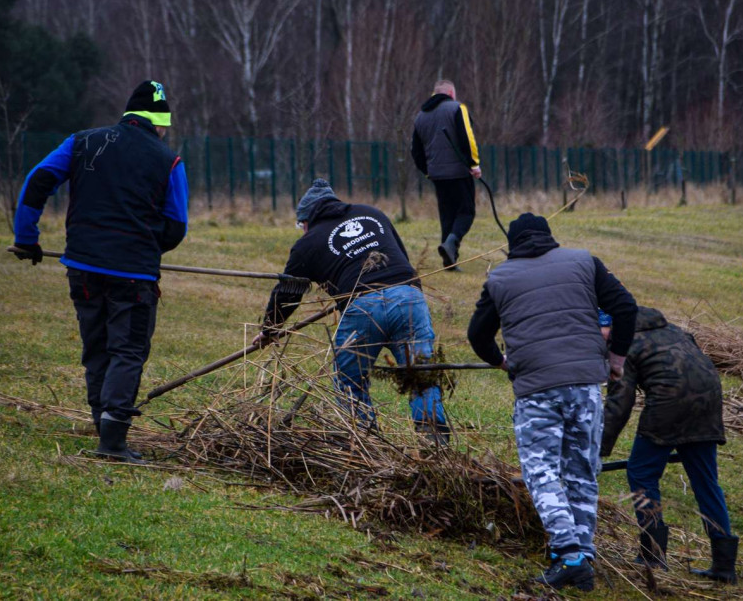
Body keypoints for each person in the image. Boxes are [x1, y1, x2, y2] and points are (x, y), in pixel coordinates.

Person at [12, 80, 189, 464]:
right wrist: (141, 246)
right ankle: (112, 441)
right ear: (158, 123)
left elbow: (38, 180)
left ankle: (101, 423)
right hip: (134, 275)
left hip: (83, 266)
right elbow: (176, 227)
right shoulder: (168, 160)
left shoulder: (81, 141)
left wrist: (26, 237)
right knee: (127, 350)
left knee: (97, 348)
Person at [466, 213, 638, 592]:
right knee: (582, 471)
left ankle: (570, 555)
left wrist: (502, 362)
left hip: (537, 387)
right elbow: (626, 308)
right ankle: (582, 555)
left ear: (512, 245)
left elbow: (477, 335)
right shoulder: (584, 262)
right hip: (585, 386)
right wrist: (616, 360)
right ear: (549, 238)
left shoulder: (499, 278)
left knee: (541, 471)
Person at [258, 179, 449, 441]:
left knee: (350, 382)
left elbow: (288, 293)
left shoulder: (307, 243)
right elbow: (401, 258)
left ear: (305, 221)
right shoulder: (373, 214)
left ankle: (366, 445)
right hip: (408, 300)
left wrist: (269, 329)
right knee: (421, 376)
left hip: (362, 310)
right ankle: (434, 442)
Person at [599, 306, 737, 583]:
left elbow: (619, 404)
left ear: (610, 325)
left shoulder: (622, 343)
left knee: (641, 472)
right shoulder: (671, 329)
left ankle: (653, 555)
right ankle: (724, 566)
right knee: (705, 480)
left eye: (597, 330)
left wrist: (596, 449)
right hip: (708, 399)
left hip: (668, 403)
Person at [410, 79, 481, 270]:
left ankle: (449, 261)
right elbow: (468, 137)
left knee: (447, 215)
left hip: (437, 175)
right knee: (466, 211)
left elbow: (416, 151)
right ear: (451, 94)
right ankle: (452, 243)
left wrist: (428, 172)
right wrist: (474, 163)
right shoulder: (457, 108)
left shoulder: (420, 116)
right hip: (458, 171)